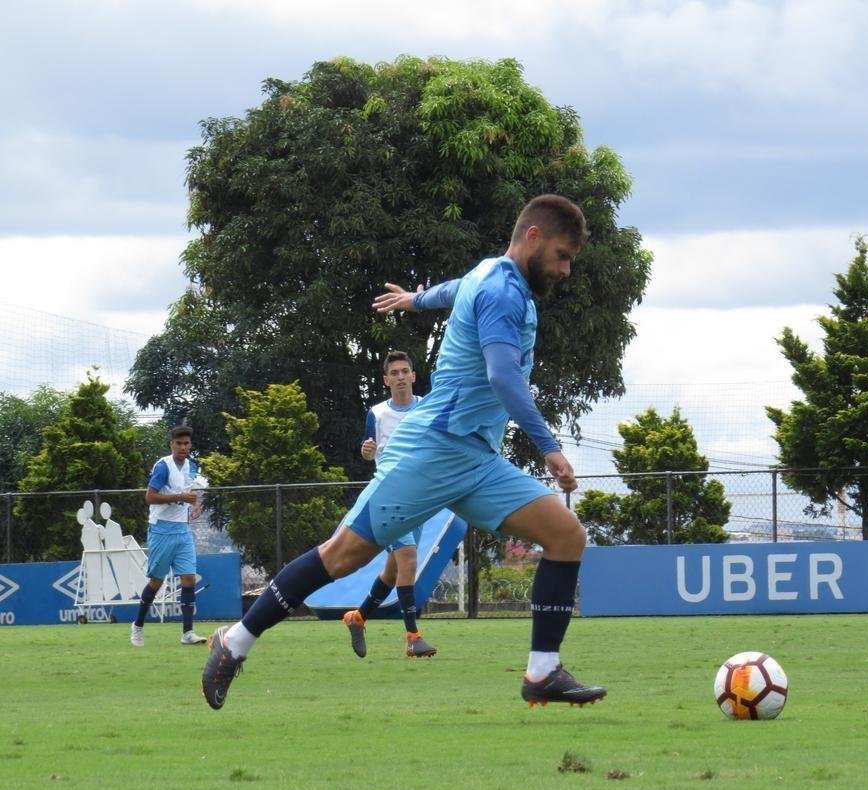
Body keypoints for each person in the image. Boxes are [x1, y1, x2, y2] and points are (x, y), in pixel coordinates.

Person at [202, 194, 606, 710]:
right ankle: (233, 642)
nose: (566, 269)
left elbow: (452, 291)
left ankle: (543, 672)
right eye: (563, 255)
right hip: (433, 452)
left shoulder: (490, 275)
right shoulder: (503, 292)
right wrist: (549, 448)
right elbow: (501, 375)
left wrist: (413, 300)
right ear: (533, 237)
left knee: (566, 535)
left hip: (477, 461)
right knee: (344, 556)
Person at [343, 351, 436, 659]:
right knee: (408, 560)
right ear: (386, 380)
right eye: (393, 372)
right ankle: (413, 636)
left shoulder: (427, 407)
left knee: (393, 569)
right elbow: (368, 453)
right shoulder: (378, 413)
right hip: (390, 496)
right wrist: (367, 452)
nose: (399, 376)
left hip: (420, 498)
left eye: (404, 371)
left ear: (413, 376)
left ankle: (357, 618)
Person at [131, 425, 207, 647]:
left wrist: (196, 504)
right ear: (171, 444)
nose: (183, 447)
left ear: (190, 445)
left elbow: (190, 491)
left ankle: (187, 632)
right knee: (156, 581)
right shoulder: (163, 467)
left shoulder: (191, 466)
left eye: (186, 444)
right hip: (161, 529)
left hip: (182, 529)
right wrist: (180, 497)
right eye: (179, 443)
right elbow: (149, 497)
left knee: (189, 578)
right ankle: (137, 626)